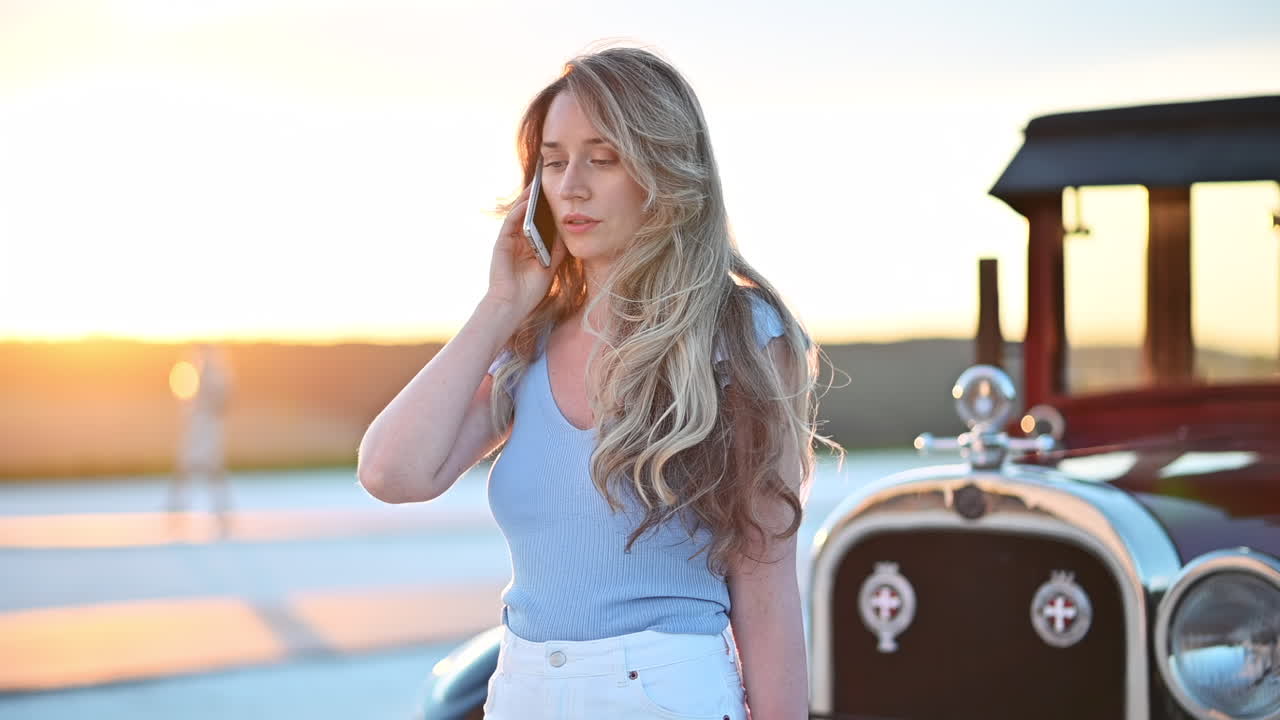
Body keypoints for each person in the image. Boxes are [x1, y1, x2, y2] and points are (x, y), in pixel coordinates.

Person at [357, 46, 840, 720]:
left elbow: (764, 577)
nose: (572, 186)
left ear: (663, 169)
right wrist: (501, 305)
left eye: (603, 158)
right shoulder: (528, 337)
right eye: (554, 161)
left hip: (670, 695)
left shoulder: (741, 333)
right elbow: (391, 472)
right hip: (521, 689)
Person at [169, 342, 234, 538]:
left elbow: (224, 400)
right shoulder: (196, 369)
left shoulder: (216, 373)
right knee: (192, 464)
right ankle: (180, 505)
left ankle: (219, 509)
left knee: (210, 466)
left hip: (207, 427)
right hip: (199, 425)